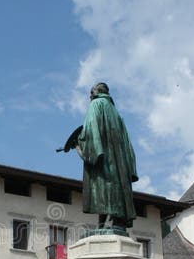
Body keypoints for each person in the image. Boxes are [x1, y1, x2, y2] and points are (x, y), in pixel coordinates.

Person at [59, 82, 138, 230]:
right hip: (118, 161)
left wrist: (78, 143)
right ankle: (115, 222)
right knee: (115, 187)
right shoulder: (115, 112)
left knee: (101, 187)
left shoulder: (95, 104)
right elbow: (126, 142)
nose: (90, 95)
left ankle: (102, 225)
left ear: (97, 92)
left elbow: (91, 128)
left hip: (103, 157)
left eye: (91, 92)